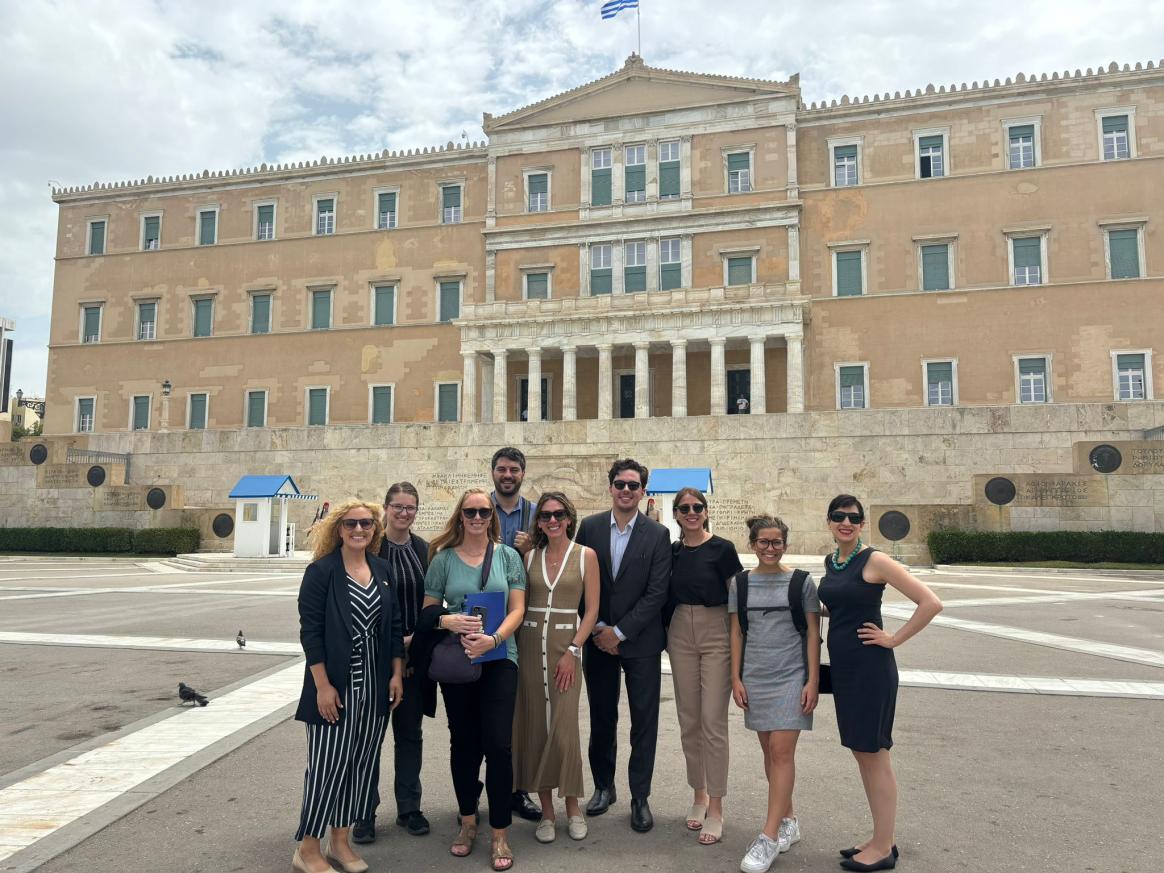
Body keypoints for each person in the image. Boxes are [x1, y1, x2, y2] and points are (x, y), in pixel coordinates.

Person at [818, 495, 943, 872]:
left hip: (870, 670)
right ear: (829, 521)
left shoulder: (876, 560)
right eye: (839, 516)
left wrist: (894, 639)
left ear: (861, 524)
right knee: (862, 753)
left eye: (853, 518)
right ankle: (878, 837)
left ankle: (884, 847)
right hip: (845, 670)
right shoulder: (833, 562)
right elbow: (838, 605)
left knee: (875, 754)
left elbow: (930, 602)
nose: (846, 522)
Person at [292, 500, 405, 873]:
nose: (359, 530)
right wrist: (322, 686)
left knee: (360, 764)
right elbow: (311, 632)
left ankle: (339, 842)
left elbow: (393, 626)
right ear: (338, 529)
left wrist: (396, 673)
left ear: (375, 528)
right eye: (351, 524)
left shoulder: (382, 569)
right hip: (336, 685)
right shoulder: (321, 571)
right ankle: (308, 848)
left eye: (366, 523)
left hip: (374, 684)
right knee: (328, 766)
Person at [423, 488, 528, 872]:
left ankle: (500, 831)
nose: (478, 517)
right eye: (471, 511)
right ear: (461, 515)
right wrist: (447, 620)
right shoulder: (442, 559)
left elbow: (518, 608)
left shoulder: (508, 556)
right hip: (459, 660)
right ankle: (468, 820)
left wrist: (494, 639)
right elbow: (429, 612)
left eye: (484, 511)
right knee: (464, 743)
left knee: (498, 746)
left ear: (492, 516)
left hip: (500, 657)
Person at [574, 458, 671, 833]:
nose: (626, 490)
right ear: (611, 487)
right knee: (602, 717)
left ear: (643, 491)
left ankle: (640, 797)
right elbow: (578, 579)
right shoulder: (590, 527)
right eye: (620, 484)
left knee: (644, 721)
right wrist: (600, 629)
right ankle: (603, 786)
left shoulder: (658, 534)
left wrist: (621, 632)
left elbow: (657, 592)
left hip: (641, 641)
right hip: (598, 639)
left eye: (633, 485)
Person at [731, 515, 820, 873]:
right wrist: (736, 678)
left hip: (791, 676)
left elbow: (812, 634)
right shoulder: (740, 583)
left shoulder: (801, 582)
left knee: (782, 752)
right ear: (752, 545)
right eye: (763, 542)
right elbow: (737, 632)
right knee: (770, 752)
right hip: (755, 676)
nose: (770, 548)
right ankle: (789, 820)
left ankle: (768, 838)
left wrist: (812, 681)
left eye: (777, 542)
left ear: (785, 544)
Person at [512, 491, 600, 843]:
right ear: (539, 521)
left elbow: (591, 610)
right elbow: (518, 602)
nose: (552, 520)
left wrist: (573, 650)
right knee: (536, 725)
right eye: (546, 515)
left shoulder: (585, 556)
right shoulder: (529, 556)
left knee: (564, 728)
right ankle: (547, 811)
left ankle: (573, 806)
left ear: (569, 518)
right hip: (530, 646)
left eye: (559, 514)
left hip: (566, 647)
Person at [353, 483, 431, 844]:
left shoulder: (423, 549)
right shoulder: (370, 546)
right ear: (385, 508)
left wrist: (416, 639)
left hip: (414, 658)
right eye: (397, 506)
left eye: (410, 507)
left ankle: (409, 807)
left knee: (410, 735)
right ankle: (364, 811)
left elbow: (432, 600)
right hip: (374, 659)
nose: (403, 513)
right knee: (369, 738)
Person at [666, 487, 742, 846]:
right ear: (676, 514)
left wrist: (739, 646)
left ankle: (716, 806)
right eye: (684, 508)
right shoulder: (674, 551)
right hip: (681, 630)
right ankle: (698, 794)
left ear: (706, 511)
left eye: (698, 507)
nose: (691, 512)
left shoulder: (723, 549)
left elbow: (737, 598)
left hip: (716, 630)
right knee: (689, 720)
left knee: (713, 721)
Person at [488, 446, 541, 822]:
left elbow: (556, 558)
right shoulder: (477, 508)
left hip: (525, 618)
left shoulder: (537, 514)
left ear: (523, 473)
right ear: (493, 472)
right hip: (486, 617)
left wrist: (532, 548)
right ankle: (478, 790)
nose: (508, 475)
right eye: (502, 469)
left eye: (514, 470)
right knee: (481, 707)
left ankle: (517, 789)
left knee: (520, 708)